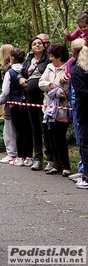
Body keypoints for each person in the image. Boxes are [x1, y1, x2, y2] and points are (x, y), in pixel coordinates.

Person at [0, 48, 32, 166]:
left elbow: (5, 92)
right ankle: (28, 156)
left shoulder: (9, 73)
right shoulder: (27, 71)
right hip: (27, 103)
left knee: (18, 130)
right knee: (28, 131)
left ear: (12, 58)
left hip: (14, 104)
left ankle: (19, 157)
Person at [18, 36, 51, 171]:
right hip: (30, 98)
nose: (37, 45)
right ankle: (38, 158)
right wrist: (20, 78)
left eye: (40, 43)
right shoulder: (28, 60)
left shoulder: (48, 59)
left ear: (44, 46)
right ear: (31, 47)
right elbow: (20, 72)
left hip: (43, 98)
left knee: (45, 128)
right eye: (34, 44)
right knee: (35, 129)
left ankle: (51, 158)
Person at [38, 44, 71, 177]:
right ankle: (56, 164)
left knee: (60, 136)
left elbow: (66, 90)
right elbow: (41, 83)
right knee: (50, 135)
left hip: (61, 108)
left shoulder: (67, 69)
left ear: (59, 56)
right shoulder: (49, 67)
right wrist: (51, 85)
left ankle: (65, 165)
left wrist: (54, 89)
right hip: (48, 107)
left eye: (52, 56)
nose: (50, 58)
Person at [62, 39, 86, 182]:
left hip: (81, 107)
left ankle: (84, 170)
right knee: (80, 140)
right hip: (75, 105)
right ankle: (82, 167)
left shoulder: (79, 68)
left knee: (83, 139)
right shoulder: (72, 63)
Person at [0, 44, 18, 164]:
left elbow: (5, 91)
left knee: (9, 130)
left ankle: (12, 153)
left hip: (10, 102)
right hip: (19, 103)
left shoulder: (7, 70)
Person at [71, 45, 88, 188]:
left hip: (84, 111)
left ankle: (87, 177)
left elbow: (81, 91)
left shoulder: (77, 71)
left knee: (85, 143)